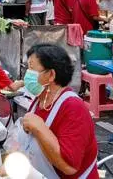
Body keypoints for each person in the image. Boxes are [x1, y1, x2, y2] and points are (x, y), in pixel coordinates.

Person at [15, 44, 98, 178]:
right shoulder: (38, 101)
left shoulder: (73, 108)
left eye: (31, 68)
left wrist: (39, 128)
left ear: (51, 75)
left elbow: (69, 167)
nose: (26, 74)